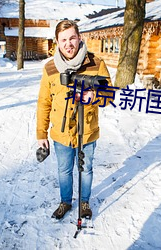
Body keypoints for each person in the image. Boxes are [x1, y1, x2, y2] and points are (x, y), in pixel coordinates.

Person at [36, 20, 113, 220]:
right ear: (57, 42)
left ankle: (84, 202)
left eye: (72, 38)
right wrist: (41, 134)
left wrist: (94, 97)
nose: (68, 43)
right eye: (64, 40)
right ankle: (65, 202)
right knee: (64, 170)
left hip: (87, 130)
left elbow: (109, 95)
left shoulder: (96, 63)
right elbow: (44, 102)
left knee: (86, 168)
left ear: (79, 38)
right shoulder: (50, 68)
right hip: (61, 133)